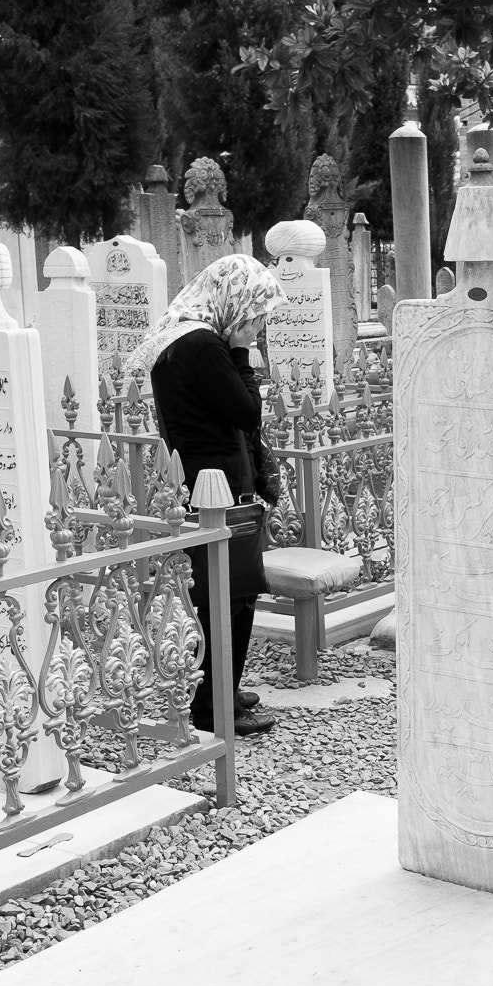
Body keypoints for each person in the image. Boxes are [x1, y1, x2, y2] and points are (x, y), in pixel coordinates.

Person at [127, 254, 288, 737]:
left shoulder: (179, 338)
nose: (257, 326)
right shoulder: (204, 345)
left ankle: (222, 689)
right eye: (256, 314)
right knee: (233, 597)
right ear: (233, 301)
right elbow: (245, 411)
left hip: (200, 481)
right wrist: (240, 353)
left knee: (222, 594)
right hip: (219, 486)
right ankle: (215, 707)